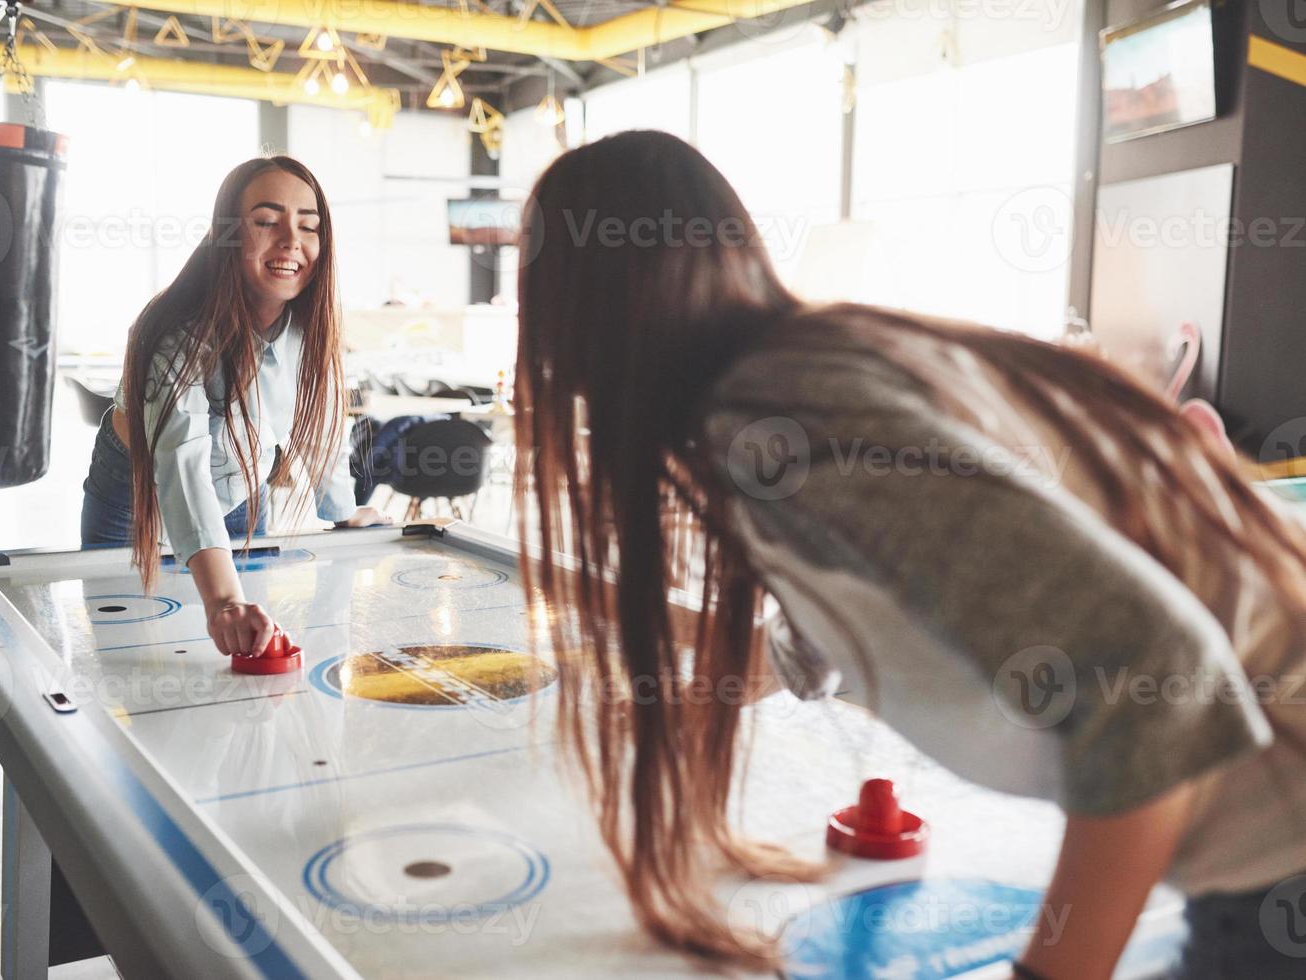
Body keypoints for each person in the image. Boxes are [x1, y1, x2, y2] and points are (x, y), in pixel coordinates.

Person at [512, 131, 1306, 979]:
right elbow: (797, 647)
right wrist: (568, 585)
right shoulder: (809, 372)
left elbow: (1156, 673)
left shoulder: (776, 421)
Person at [81, 155, 386, 658]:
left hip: (244, 486)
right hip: (136, 496)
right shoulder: (172, 331)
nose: (291, 241)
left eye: (308, 226)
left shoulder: (313, 326)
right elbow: (182, 465)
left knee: (247, 639)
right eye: (266, 222)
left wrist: (343, 514)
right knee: (126, 650)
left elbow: (318, 426)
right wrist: (221, 600)